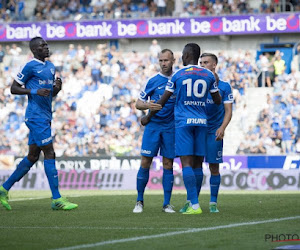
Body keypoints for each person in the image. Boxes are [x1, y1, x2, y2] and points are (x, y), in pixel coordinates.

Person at [142, 43, 221, 214]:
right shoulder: (208, 75)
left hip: (183, 123)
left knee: (186, 163)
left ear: (186, 55)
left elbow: (162, 102)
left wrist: (148, 117)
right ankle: (194, 202)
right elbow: (217, 101)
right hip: (201, 122)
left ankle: (194, 205)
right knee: (198, 164)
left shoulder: (177, 75)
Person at [0, 37, 78, 211]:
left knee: (33, 156)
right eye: (42, 46)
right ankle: (57, 199)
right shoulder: (29, 66)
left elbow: (49, 94)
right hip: (35, 117)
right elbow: (14, 88)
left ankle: (3, 189)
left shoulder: (50, 67)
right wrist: (34, 90)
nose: (46, 47)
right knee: (49, 153)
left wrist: (57, 88)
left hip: (45, 116)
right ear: (34, 50)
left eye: (46, 45)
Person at [133, 49, 176, 213]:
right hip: (153, 126)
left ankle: (166, 203)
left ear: (173, 60)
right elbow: (138, 103)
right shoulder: (152, 81)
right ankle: (139, 201)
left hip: (170, 127)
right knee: (145, 162)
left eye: (166, 60)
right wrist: (147, 105)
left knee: (168, 164)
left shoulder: (178, 79)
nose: (164, 63)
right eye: (161, 61)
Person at [199, 53, 233, 213]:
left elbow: (228, 111)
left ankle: (213, 202)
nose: (202, 65)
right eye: (200, 63)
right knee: (194, 166)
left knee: (214, 167)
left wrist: (222, 127)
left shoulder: (225, 86)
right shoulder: (197, 85)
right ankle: (193, 201)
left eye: (205, 62)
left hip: (214, 131)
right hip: (198, 129)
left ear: (214, 65)